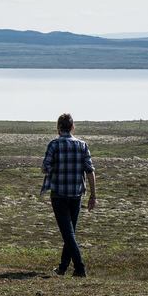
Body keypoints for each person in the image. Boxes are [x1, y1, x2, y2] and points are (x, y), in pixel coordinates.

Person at [42, 112, 96, 277]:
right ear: (72, 127)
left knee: (68, 233)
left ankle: (80, 268)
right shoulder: (82, 145)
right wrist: (93, 195)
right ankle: (63, 268)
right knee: (70, 231)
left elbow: (45, 167)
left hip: (59, 194)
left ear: (59, 127)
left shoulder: (54, 145)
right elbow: (90, 171)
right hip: (76, 195)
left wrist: (55, 168)